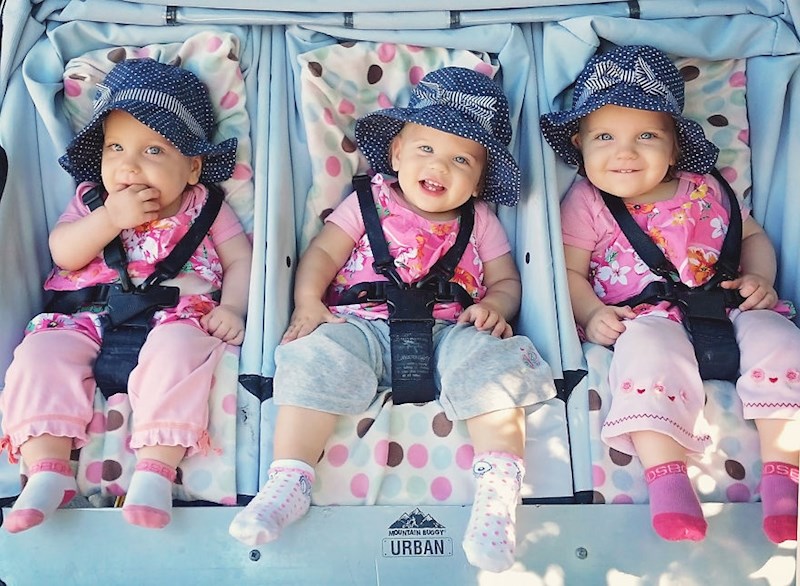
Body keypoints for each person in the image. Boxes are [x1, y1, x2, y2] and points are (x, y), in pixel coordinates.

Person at [229, 66, 555, 572]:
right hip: (361, 322)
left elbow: (506, 281)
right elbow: (323, 254)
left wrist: (494, 306)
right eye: (426, 149)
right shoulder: (367, 203)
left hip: (450, 331)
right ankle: (289, 477)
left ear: (480, 179)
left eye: (461, 159)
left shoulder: (482, 222)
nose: (439, 166)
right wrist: (309, 302)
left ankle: (497, 490)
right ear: (398, 153)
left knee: (495, 362)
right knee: (313, 355)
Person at [541, 44, 799, 543]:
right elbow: (569, 271)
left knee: (783, 341)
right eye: (605, 137)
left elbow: (751, 236)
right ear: (579, 144)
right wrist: (592, 312)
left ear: (675, 147)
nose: (625, 152)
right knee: (646, 356)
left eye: (646, 136)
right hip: (646, 316)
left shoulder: (707, 188)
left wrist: (760, 279)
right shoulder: (586, 200)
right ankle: (668, 481)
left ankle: (784, 478)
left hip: (728, 303)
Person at [0, 58, 252, 532]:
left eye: (153, 150)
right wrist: (110, 219)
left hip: (176, 316)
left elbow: (241, 259)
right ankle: (46, 469)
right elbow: (64, 252)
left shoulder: (207, 208)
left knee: (181, 358)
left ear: (193, 167)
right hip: (85, 314)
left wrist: (234, 307)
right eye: (115, 147)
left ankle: (155, 472)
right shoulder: (92, 199)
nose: (129, 165)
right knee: (38, 356)